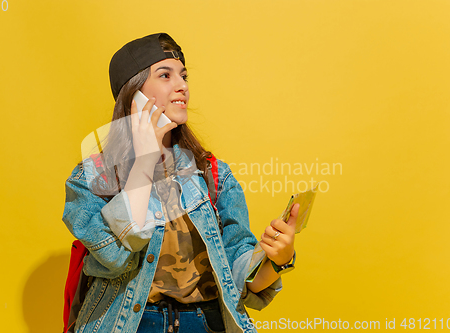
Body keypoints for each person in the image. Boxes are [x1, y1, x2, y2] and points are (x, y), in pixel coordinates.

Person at [62, 33, 299, 333]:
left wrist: (277, 260)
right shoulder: (92, 178)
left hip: (206, 324)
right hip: (131, 325)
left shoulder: (213, 174)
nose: (182, 85)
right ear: (134, 94)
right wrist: (146, 160)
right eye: (165, 75)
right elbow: (115, 256)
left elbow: (239, 283)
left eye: (184, 76)